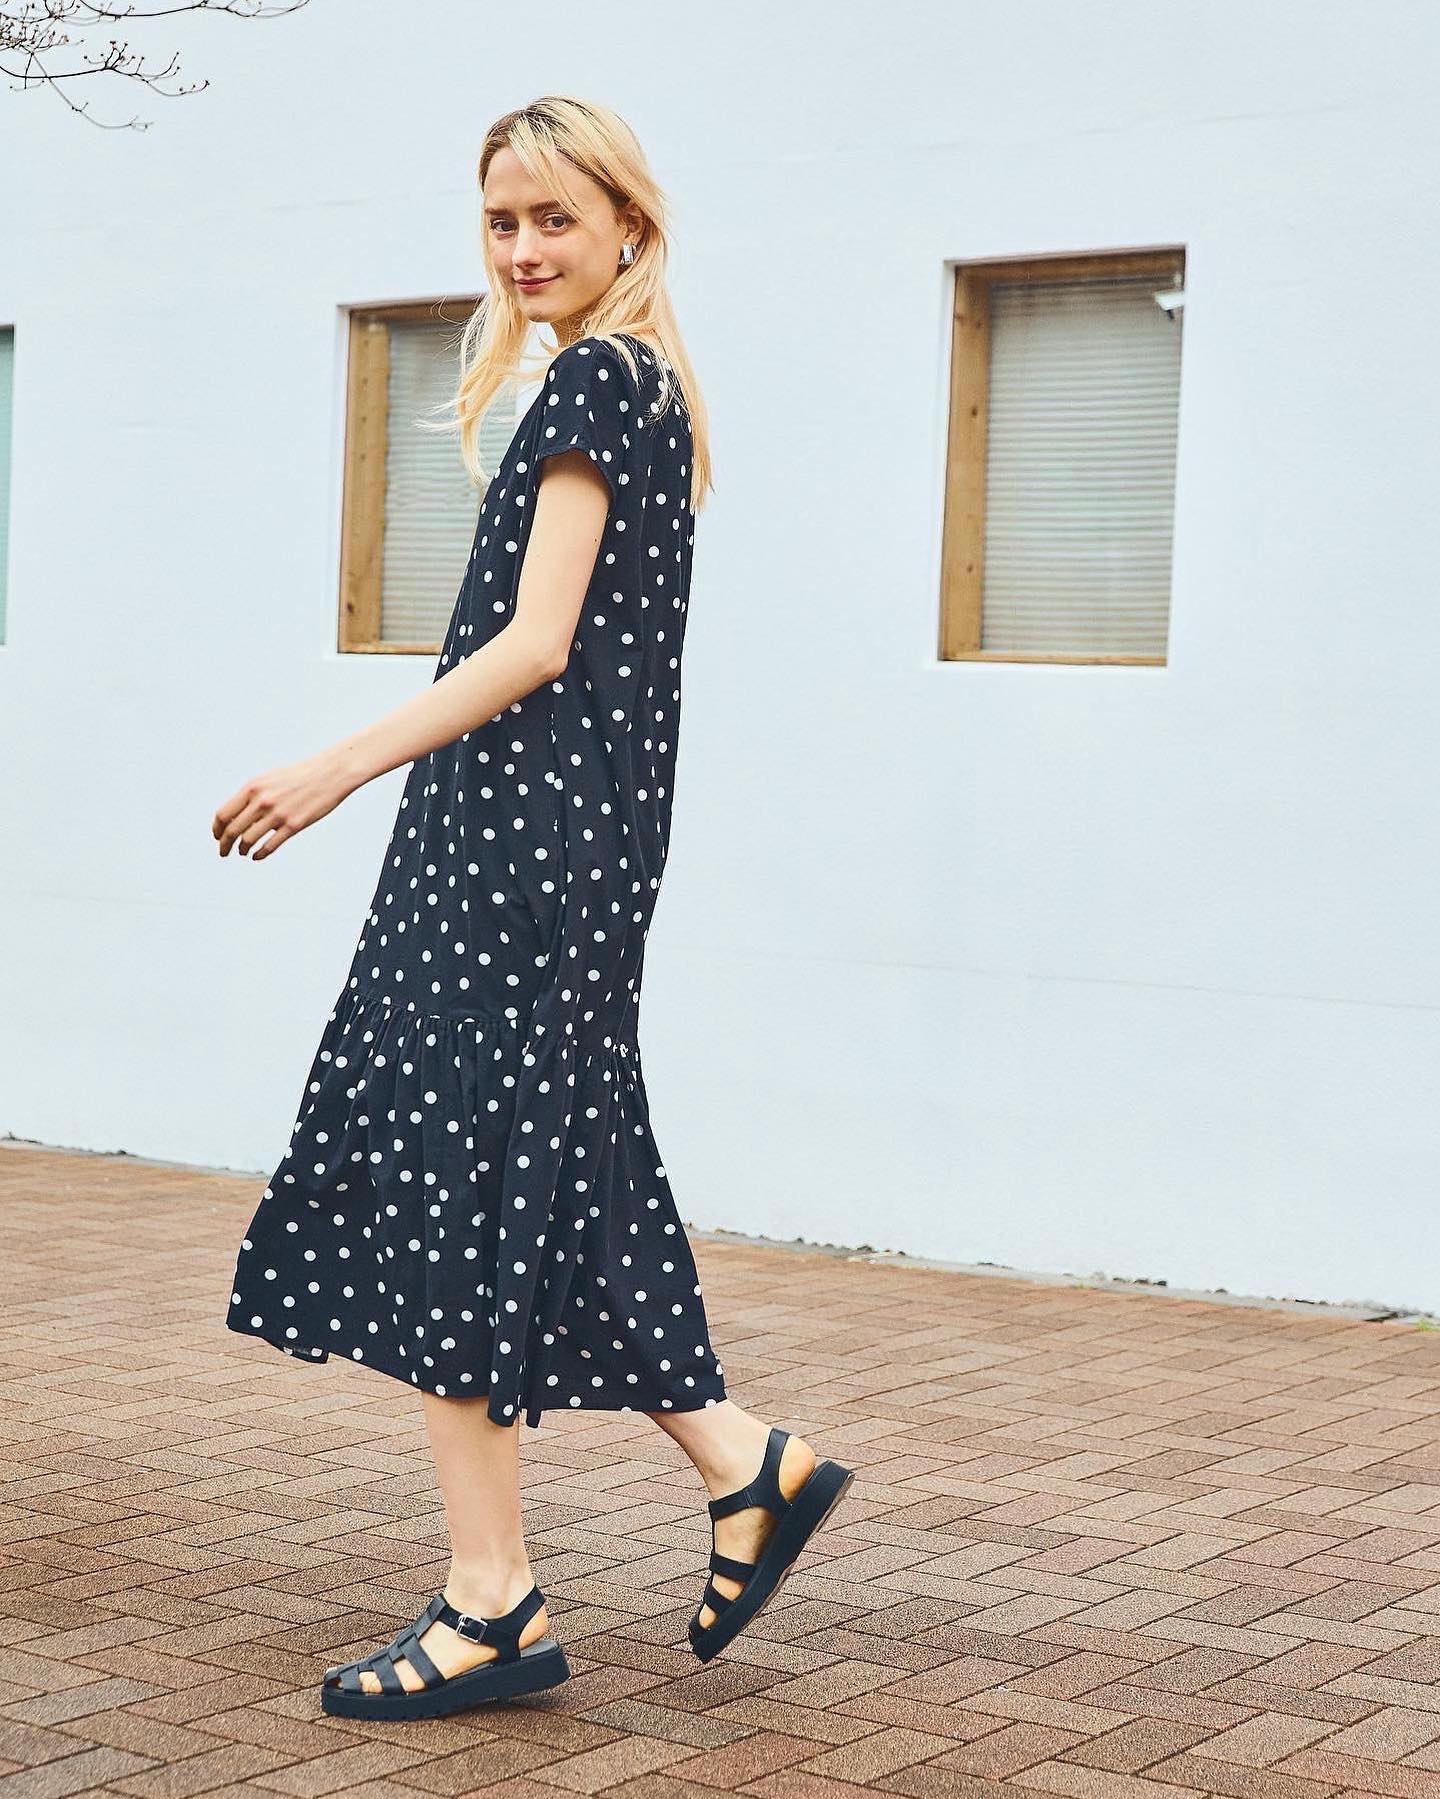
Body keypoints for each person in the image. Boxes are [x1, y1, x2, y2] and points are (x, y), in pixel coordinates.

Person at [212, 94, 854, 1722]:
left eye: (554, 218)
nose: (521, 249)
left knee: (460, 1174)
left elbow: (537, 642)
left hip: (523, 850)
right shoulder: (635, 385)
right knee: (550, 1170)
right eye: (500, 221)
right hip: (554, 843)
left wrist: (333, 765)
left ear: (629, 223)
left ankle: (491, 1601)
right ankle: (745, 1463)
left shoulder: (595, 382)